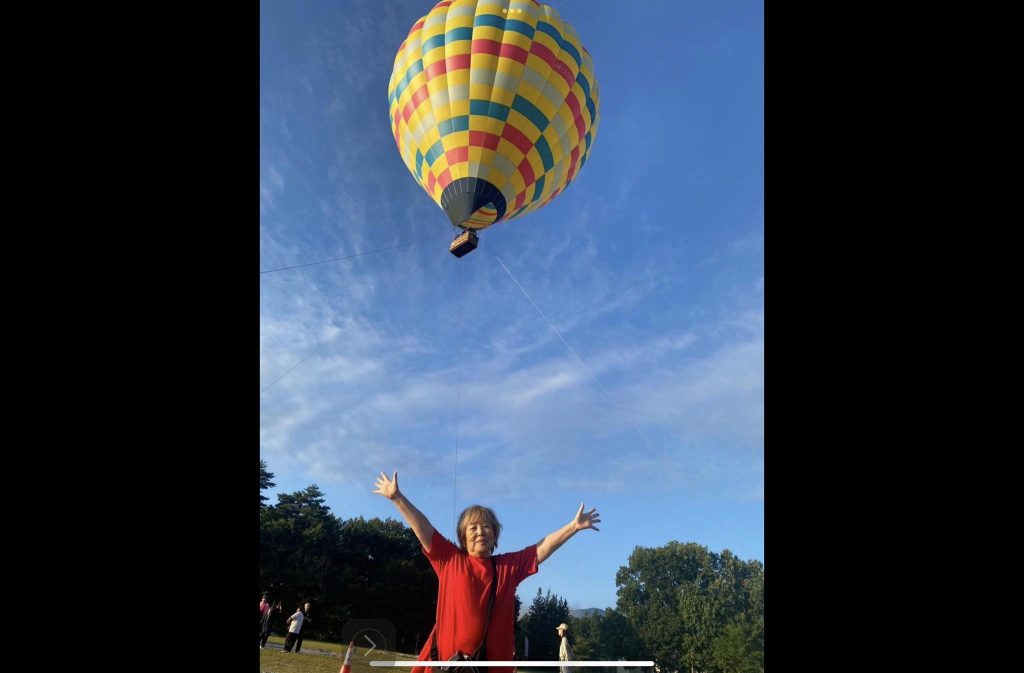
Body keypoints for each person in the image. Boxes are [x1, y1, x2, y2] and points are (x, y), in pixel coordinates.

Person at [373, 470, 600, 673]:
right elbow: (422, 527)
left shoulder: (507, 568)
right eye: (473, 528)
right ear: (463, 537)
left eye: (486, 527)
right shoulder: (449, 559)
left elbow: (541, 548)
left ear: (495, 536)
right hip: (445, 666)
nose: (480, 532)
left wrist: (573, 527)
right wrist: (397, 498)